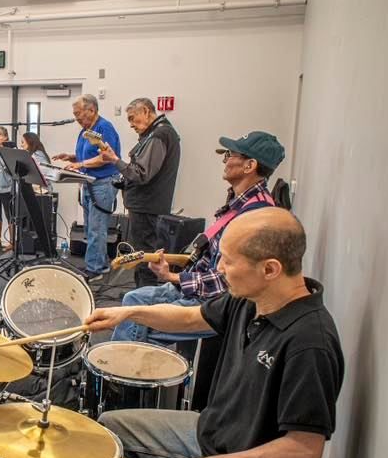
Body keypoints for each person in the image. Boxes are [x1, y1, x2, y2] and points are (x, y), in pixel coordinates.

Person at [85, 208, 343, 458]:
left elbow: (304, 450)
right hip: (214, 433)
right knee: (107, 430)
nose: (219, 269)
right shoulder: (252, 300)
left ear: (270, 269)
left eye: (229, 261)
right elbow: (192, 316)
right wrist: (127, 312)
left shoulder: (310, 343)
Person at [112, 131, 284, 343]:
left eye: (230, 155)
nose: (225, 160)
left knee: (141, 325)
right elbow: (211, 257)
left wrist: (174, 278)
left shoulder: (254, 216)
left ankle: (125, 372)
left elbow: (228, 280)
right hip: (198, 288)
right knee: (133, 298)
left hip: (214, 302)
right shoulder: (238, 203)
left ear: (249, 166)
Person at [99, 97, 181, 287]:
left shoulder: (160, 135)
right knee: (143, 254)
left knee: (144, 256)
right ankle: (141, 295)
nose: (131, 125)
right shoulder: (157, 134)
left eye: (132, 118)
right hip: (146, 205)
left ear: (145, 111)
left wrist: (114, 160)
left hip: (147, 206)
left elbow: (141, 174)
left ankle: (143, 298)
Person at [52, 94, 122, 279]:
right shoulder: (87, 130)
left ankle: (96, 268)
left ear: (92, 110)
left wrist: (80, 165)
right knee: (91, 227)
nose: (76, 119)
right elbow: (88, 155)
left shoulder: (104, 127)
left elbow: (105, 157)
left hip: (103, 183)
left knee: (96, 229)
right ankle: (99, 264)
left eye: (79, 115)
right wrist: (71, 157)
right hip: (90, 183)